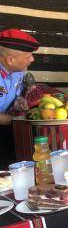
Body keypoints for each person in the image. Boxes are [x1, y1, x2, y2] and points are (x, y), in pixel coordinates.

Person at [0, 28, 39, 168]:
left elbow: (14, 94)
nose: (32, 59)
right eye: (28, 57)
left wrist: (18, 102)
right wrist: (16, 120)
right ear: (10, 60)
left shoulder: (18, 72)